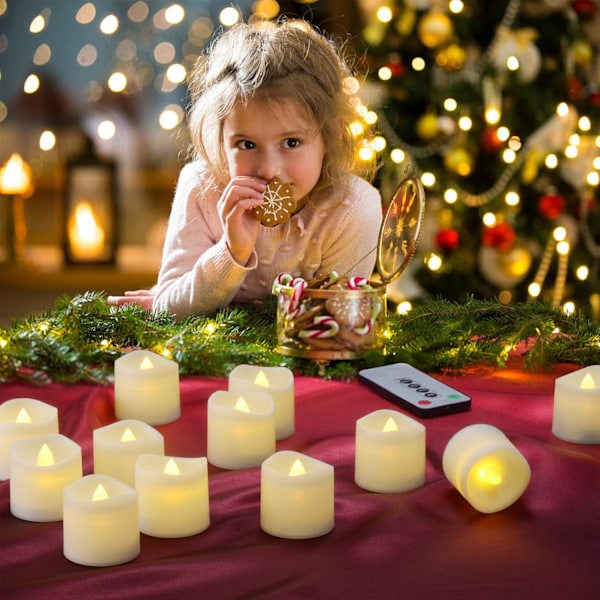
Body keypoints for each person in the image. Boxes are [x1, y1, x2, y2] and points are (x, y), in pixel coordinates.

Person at [108, 18, 382, 317]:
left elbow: (332, 323)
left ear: (333, 135)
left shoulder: (353, 209)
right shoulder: (200, 186)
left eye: (291, 142)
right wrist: (232, 251)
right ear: (221, 139)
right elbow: (168, 308)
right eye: (247, 145)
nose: (268, 169)